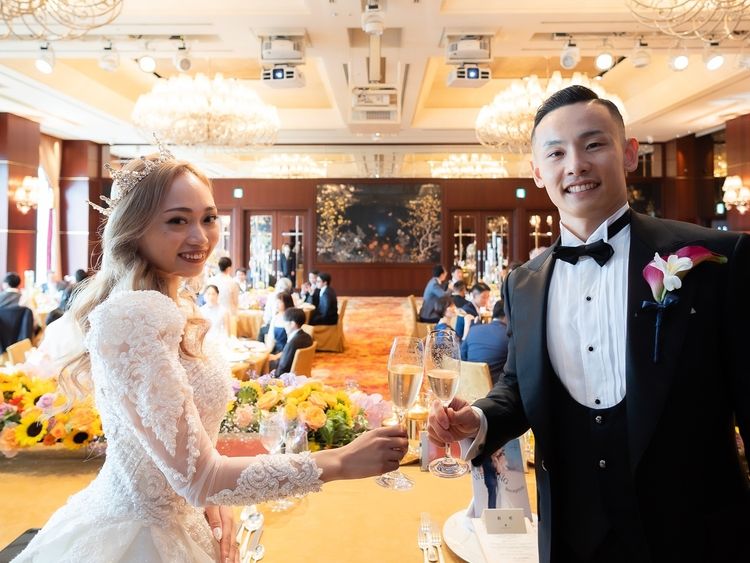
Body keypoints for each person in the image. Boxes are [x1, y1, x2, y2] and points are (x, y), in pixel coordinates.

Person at [13, 141, 407, 563]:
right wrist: (340, 462)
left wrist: (212, 496)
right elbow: (200, 477)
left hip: (183, 517)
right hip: (138, 536)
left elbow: (190, 462)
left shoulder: (175, 303)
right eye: (177, 220)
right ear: (135, 228)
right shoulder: (133, 316)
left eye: (208, 218)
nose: (199, 237)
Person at [429, 85, 750, 563]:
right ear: (538, 172)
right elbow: (518, 385)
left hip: (694, 534)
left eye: (593, 144)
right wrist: (477, 418)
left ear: (629, 154)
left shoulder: (714, 260)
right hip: (571, 534)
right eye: (556, 153)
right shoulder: (523, 283)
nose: (575, 165)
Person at [460, 299, 508, 386]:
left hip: (468, 386)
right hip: (495, 390)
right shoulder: (509, 336)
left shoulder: (473, 330)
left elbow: (461, 357)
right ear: (507, 315)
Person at [270, 307, 314, 377]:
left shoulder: (292, 343)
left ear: (292, 324)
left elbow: (283, 368)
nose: (284, 325)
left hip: (288, 377)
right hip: (301, 374)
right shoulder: (308, 337)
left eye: (285, 322)